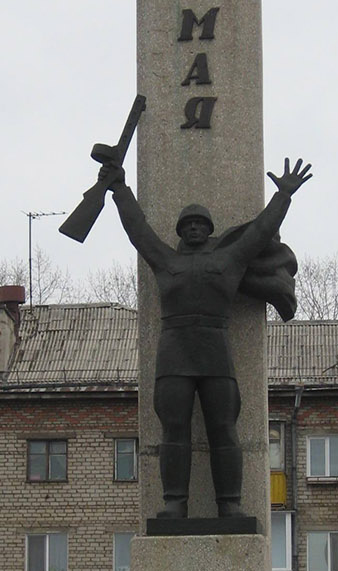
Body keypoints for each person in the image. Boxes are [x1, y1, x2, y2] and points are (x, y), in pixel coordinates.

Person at [100, 156, 312, 517]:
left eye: (201, 224)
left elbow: (260, 231)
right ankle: (174, 504)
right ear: (181, 231)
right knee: (174, 429)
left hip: (216, 353)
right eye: (188, 224)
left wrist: (283, 197)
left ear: (209, 230)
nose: (195, 229)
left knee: (224, 429)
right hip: (174, 354)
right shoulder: (166, 260)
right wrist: (119, 188)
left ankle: (230, 505)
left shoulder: (229, 260)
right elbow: (139, 230)